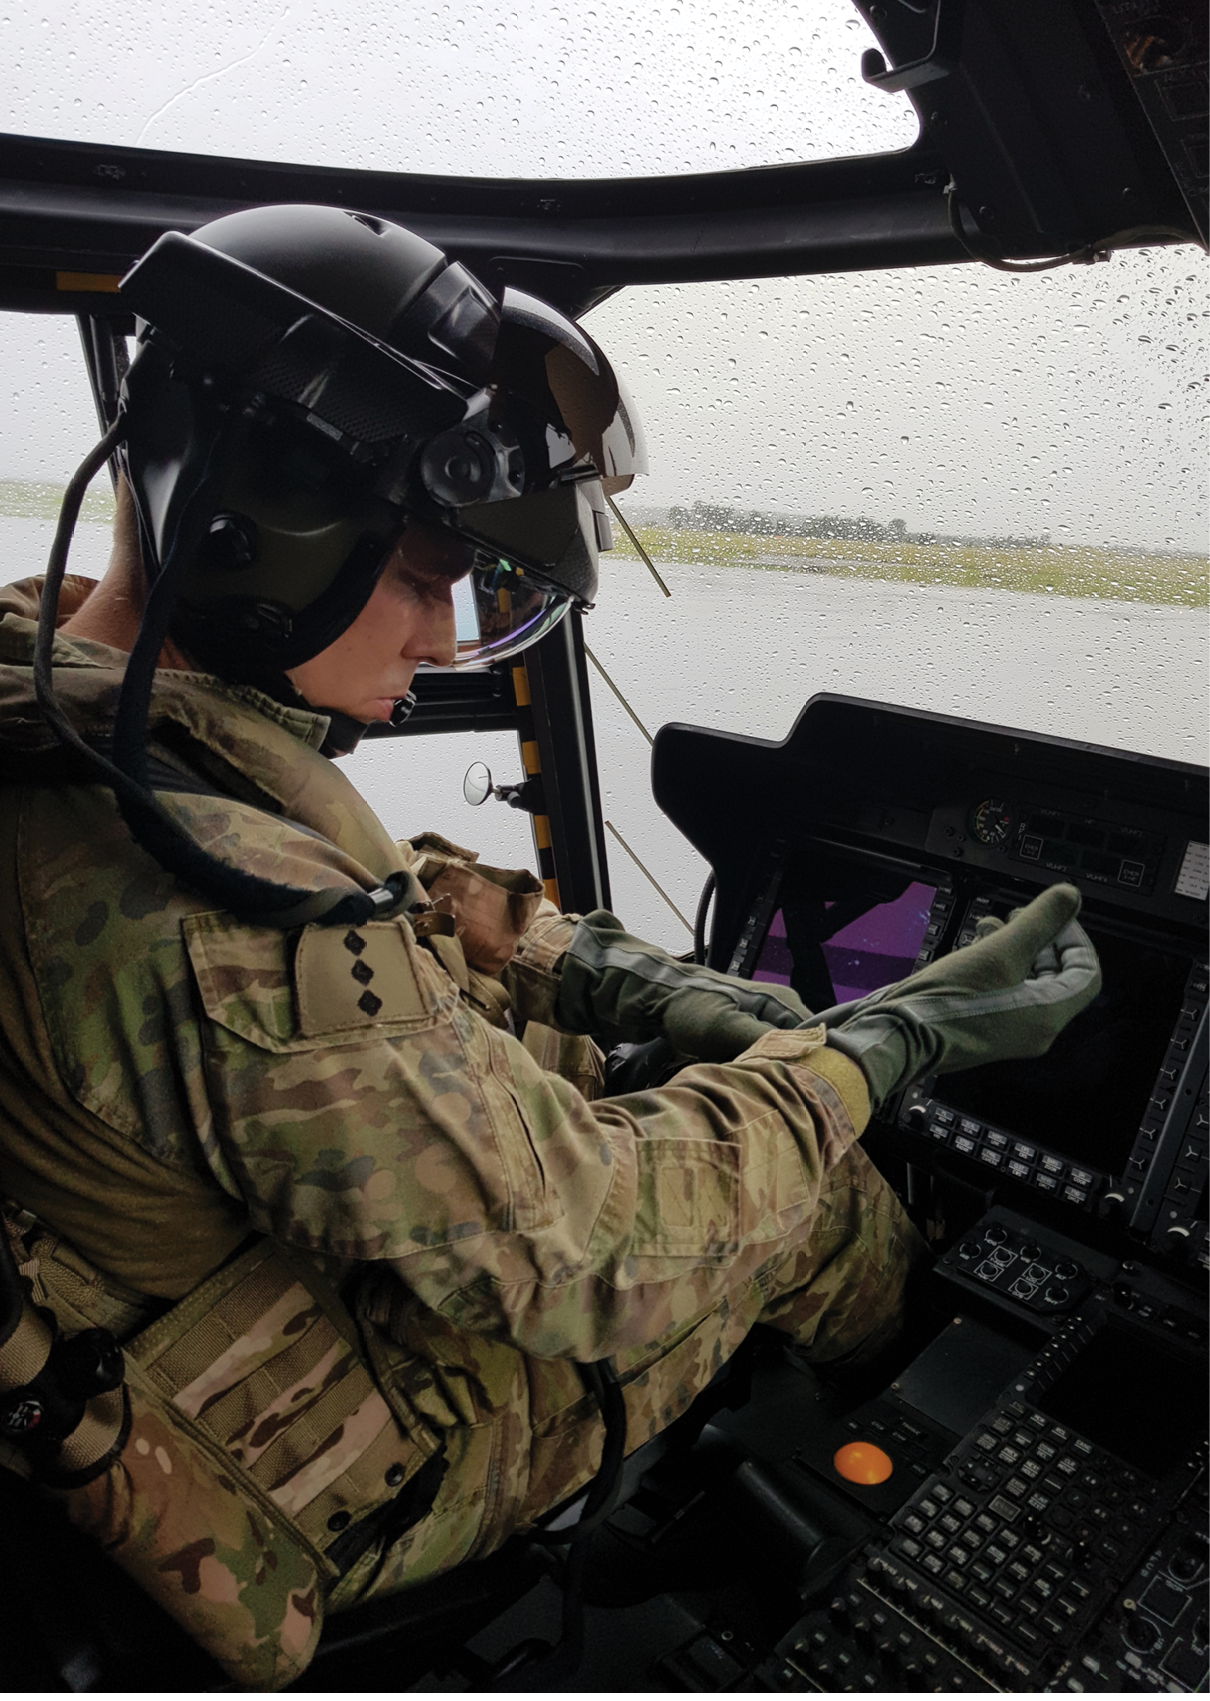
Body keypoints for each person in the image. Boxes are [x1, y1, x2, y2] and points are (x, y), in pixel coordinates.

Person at [0, 205, 1101, 1687]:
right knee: (809, 1187)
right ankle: (961, 1490)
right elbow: (587, 1255)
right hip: (286, 1470)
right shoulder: (209, 905)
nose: (449, 640)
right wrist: (864, 1052)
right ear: (251, 508)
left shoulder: (68, 707)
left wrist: (629, 983)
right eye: (426, 571)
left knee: (660, 1084)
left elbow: (395, 893)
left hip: (138, 1328)